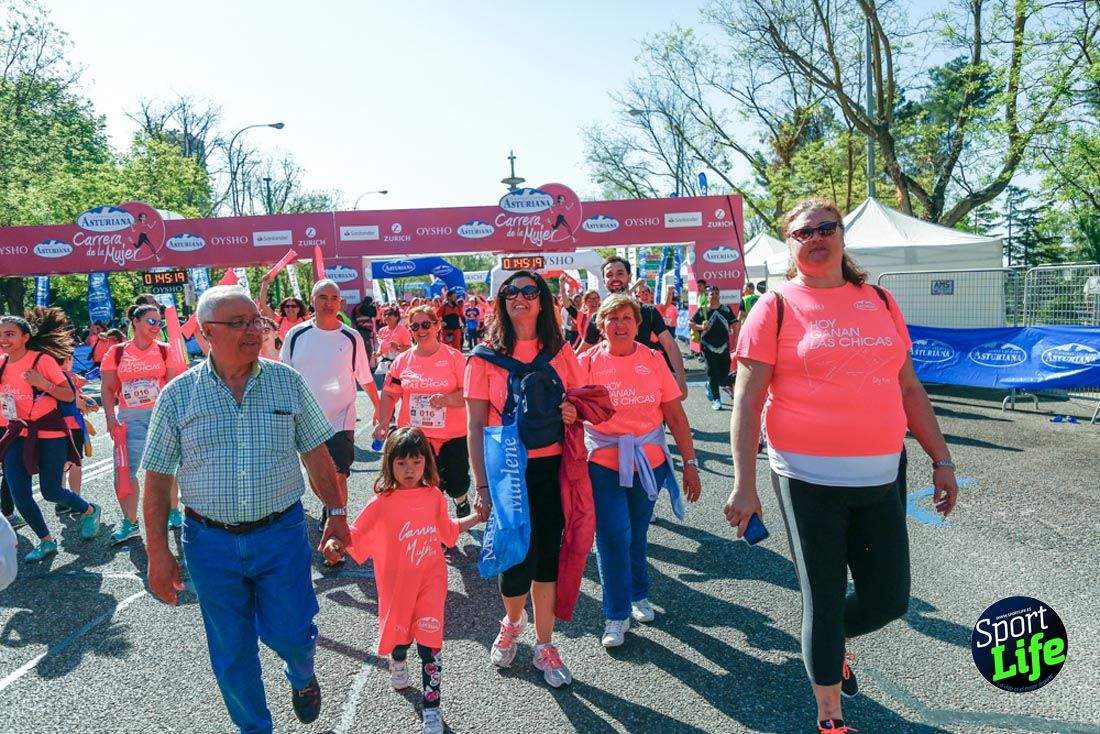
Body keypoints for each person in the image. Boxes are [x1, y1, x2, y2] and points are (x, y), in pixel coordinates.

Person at [724, 197, 960, 734]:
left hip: (882, 473)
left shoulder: (878, 299)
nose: (815, 237)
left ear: (841, 237)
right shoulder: (775, 305)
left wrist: (940, 459)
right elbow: (746, 400)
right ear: (790, 245)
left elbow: (908, 387)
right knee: (824, 599)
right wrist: (744, 483)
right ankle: (830, 716)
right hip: (807, 477)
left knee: (888, 600)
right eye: (802, 232)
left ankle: (830, 639)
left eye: (825, 227)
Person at [141, 285, 351, 734]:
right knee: (231, 651)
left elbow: (316, 452)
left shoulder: (286, 382)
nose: (252, 331)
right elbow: (157, 479)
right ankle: (255, 728)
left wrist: (336, 513)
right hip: (208, 542)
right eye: (238, 324)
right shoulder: (178, 396)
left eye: (255, 320)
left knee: (293, 633)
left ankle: (301, 672)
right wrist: (157, 551)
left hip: (280, 534)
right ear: (205, 334)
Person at [464, 270, 583, 687]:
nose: (520, 297)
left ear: (542, 299)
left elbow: (580, 402)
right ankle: (512, 622)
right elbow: (475, 425)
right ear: (501, 302)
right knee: (515, 560)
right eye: (511, 291)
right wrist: (481, 486)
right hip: (507, 470)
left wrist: (571, 412)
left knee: (547, 557)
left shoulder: (560, 350)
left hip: (552, 469)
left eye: (529, 291)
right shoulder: (482, 357)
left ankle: (544, 644)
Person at [325, 427, 480, 734]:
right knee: (402, 638)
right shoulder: (382, 502)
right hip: (396, 585)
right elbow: (356, 536)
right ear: (389, 465)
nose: (409, 469)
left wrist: (477, 517)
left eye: (416, 462)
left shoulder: (434, 496)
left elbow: (448, 532)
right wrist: (336, 545)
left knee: (429, 645)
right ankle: (398, 660)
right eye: (401, 463)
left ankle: (432, 708)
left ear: (426, 464)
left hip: (431, 581)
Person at [578, 294, 701, 648]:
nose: (620, 325)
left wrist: (690, 464)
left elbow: (675, 416)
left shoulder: (653, 360)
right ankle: (616, 614)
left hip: (650, 463)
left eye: (627, 318)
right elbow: (569, 413)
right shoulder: (586, 363)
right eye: (612, 319)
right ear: (600, 326)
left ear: (638, 324)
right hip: (602, 463)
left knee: (636, 532)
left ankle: (639, 593)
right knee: (613, 535)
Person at [0, 309, 102, 561]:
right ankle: (46, 540)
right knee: (19, 493)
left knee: (50, 491)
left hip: (48, 431)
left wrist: (41, 383)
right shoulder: (1, 362)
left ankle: (89, 509)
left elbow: (68, 395)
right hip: (16, 431)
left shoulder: (41, 360)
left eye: (10, 334)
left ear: (25, 336)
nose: (4, 339)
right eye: (0, 335)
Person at [282, 279, 379, 541]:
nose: (327, 303)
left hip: (341, 418)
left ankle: (338, 526)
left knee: (338, 475)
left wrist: (380, 410)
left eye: (333, 298)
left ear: (340, 303)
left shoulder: (351, 336)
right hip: (305, 421)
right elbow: (284, 377)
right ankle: (330, 506)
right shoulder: (296, 335)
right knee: (317, 479)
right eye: (322, 297)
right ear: (312, 301)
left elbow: (365, 377)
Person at [373, 304, 471, 518]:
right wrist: (382, 423)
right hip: (417, 437)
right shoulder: (402, 361)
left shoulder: (455, 358)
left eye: (426, 324)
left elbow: (469, 394)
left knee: (457, 483)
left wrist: (447, 399)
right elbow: (390, 393)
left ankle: (461, 498)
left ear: (437, 326)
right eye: (415, 326)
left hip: (452, 435)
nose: (421, 330)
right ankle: (435, 530)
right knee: (427, 487)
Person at [101, 304, 185, 543]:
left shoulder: (165, 350)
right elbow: (107, 388)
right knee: (124, 472)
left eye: (159, 322)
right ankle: (130, 522)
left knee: (167, 467)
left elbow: (173, 386)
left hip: (161, 417)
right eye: (151, 321)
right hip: (130, 419)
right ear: (135, 322)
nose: (156, 327)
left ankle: (174, 511)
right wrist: (109, 417)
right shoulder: (116, 352)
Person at [583, 256, 687, 398]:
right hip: (613, 389)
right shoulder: (598, 317)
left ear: (629, 276)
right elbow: (583, 352)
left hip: (647, 384)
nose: (614, 278)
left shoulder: (648, 312)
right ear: (604, 280)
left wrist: (681, 379)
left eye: (620, 273)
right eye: (609, 275)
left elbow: (670, 345)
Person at [691, 286, 737, 411]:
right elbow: (691, 323)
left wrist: (737, 342)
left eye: (717, 293)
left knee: (723, 375)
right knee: (713, 373)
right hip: (707, 347)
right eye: (712, 293)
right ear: (707, 295)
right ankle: (717, 399)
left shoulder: (725, 309)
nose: (715, 295)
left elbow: (735, 324)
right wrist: (701, 326)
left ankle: (710, 385)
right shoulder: (702, 311)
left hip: (724, 346)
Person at [258, 273, 308, 341]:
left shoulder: (306, 320)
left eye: (293, 306)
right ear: (284, 309)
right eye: (287, 306)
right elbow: (263, 303)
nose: (290, 308)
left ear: (299, 309)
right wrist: (265, 283)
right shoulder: (278, 320)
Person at [351, 296, 379, 367]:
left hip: (362, 330)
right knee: (367, 349)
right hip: (363, 331)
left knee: (365, 349)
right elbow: (374, 313)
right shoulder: (363, 307)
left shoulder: (358, 306)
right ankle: (366, 367)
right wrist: (373, 306)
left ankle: (366, 366)